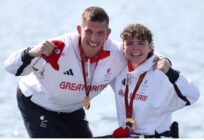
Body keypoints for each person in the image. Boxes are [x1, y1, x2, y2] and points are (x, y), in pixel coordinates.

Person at [4, 7, 171, 138]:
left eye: (100, 33)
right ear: (79, 30)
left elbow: (141, 53)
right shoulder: (59, 47)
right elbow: (10, 67)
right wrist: (31, 51)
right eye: (88, 31)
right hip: (38, 104)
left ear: (108, 34)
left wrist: (165, 61)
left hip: (73, 108)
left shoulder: (116, 53)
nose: (93, 39)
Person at [109, 24, 200, 138]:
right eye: (130, 43)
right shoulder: (119, 68)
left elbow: (193, 94)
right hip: (126, 136)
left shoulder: (162, 72)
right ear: (123, 46)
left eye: (141, 43)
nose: (135, 48)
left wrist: (170, 72)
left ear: (150, 47)